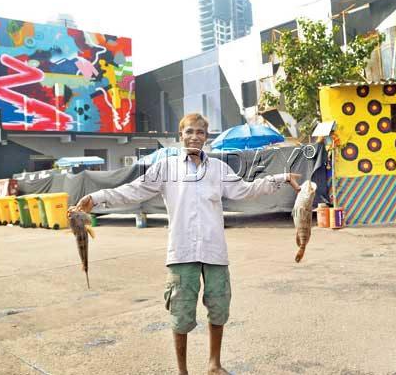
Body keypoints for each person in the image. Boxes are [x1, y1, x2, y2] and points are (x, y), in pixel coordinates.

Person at [70, 113, 301, 375]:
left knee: (218, 308)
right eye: (189, 131)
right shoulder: (166, 168)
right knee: (180, 313)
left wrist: (280, 178)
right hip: (181, 252)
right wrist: (96, 197)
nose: (194, 137)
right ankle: (182, 371)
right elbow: (132, 190)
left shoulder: (218, 169)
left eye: (200, 132)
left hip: (214, 251)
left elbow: (246, 190)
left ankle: (214, 364)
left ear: (206, 137)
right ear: (181, 134)